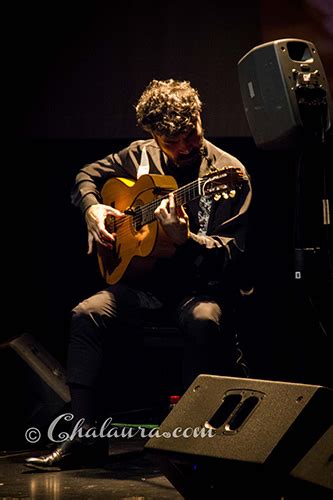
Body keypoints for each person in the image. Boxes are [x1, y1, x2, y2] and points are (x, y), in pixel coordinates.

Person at [25, 79, 252, 470]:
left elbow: (233, 253)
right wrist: (92, 209)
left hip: (199, 291)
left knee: (203, 320)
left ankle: (190, 446)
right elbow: (85, 175)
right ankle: (83, 438)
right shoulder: (138, 156)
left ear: (201, 119)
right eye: (171, 141)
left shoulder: (228, 173)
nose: (184, 148)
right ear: (153, 136)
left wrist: (187, 238)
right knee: (87, 313)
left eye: (190, 135)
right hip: (144, 289)